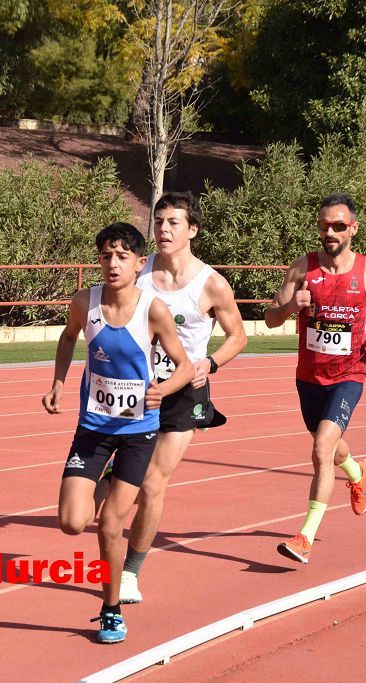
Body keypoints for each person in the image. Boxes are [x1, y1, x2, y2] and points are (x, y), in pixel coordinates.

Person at [42, 222, 193, 644]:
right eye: (106, 255)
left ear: (139, 263)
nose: (113, 264)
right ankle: (106, 478)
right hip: (92, 427)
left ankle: (110, 610)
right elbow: (68, 337)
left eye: (122, 256)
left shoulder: (154, 310)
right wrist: (57, 382)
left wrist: (163, 389)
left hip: (137, 432)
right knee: (73, 522)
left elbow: (183, 365)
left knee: (110, 523)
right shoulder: (84, 302)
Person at [114, 192, 247, 605]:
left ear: (192, 230)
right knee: (119, 485)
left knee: (153, 482)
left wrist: (211, 362)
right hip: (135, 390)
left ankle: (130, 573)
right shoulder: (139, 271)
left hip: (184, 392)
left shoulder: (210, 283)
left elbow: (239, 336)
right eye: (159, 222)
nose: (163, 230)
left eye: (173, 223)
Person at [264, 193, 366, 564]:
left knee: (321, 448)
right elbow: (270, 317)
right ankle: (359, 472)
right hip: (309, 375)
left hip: (349, 374)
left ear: (352, 229)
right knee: (331, 446)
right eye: (324, 225)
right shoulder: (302, 268)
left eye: (338, 226)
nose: (330, 231)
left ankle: (305, 537)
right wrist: (291, 306)